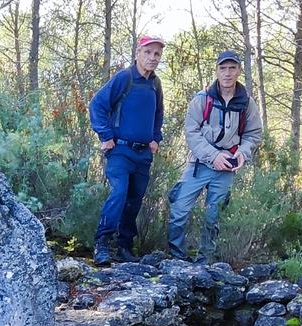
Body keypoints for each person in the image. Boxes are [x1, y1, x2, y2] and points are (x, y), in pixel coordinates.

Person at [165, 50, 263, 264]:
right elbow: (191, 132)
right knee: (180, 208)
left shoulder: (247, 103)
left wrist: (242, 153)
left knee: (213, 216)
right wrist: (213, 155)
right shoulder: (203, 99)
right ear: (216, 70)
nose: (227, 73)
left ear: (238, 71)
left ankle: (204, 260)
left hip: (227, 167)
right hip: (199, 164)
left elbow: (253, 134)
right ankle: (176, 257)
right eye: (223, 68)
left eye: (232, 68)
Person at [88, 36, 166, 265]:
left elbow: (158, 113)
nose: (152, 57)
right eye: (148, 52)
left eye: (157, 54)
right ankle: (102, 244)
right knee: (119, 193)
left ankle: (124, 246)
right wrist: (105, 136)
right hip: (120, 150)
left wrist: (155, 137)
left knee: (134, 200)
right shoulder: (125, 78)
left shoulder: (155, 83)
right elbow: (98, 105)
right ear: (137, 53)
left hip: (143, 155)